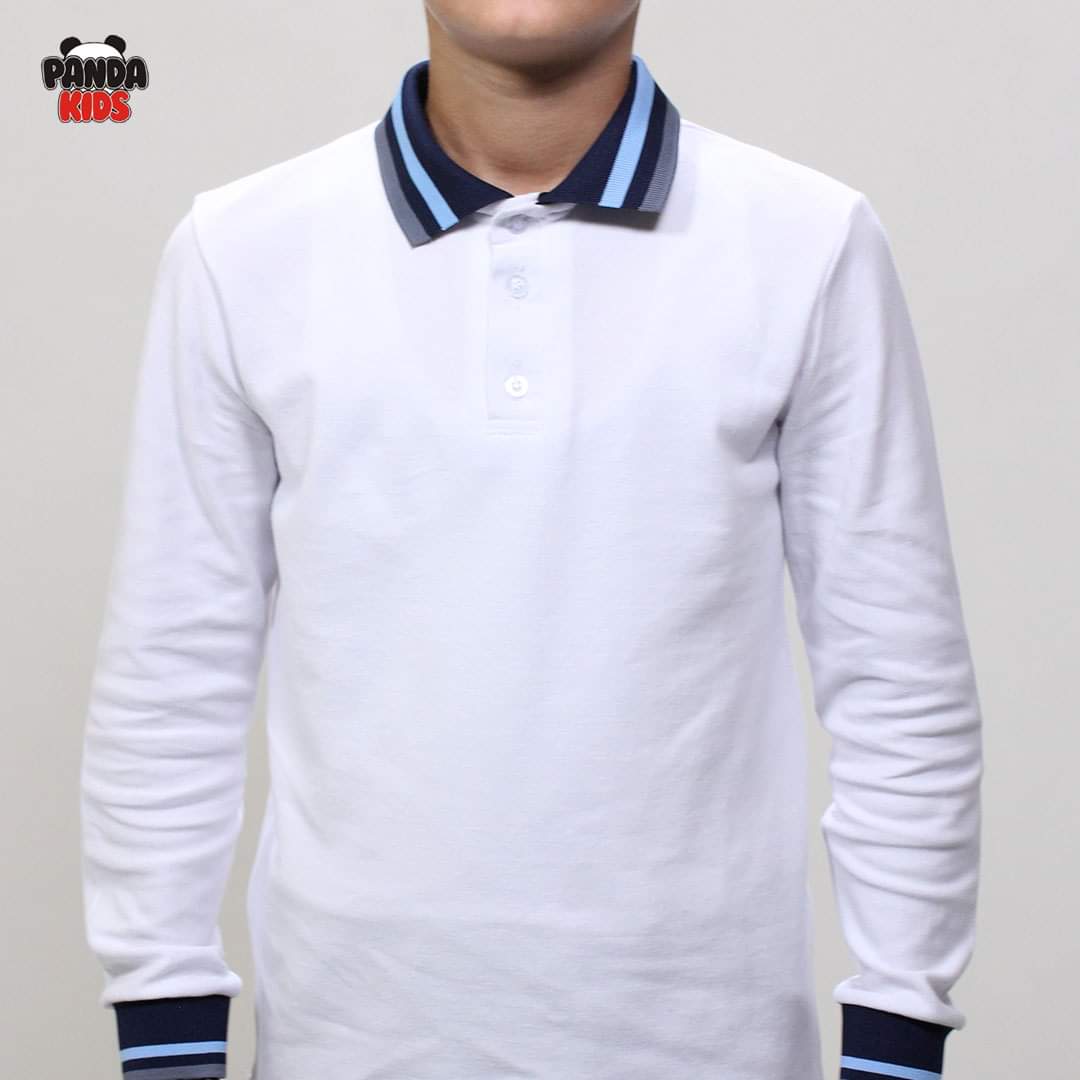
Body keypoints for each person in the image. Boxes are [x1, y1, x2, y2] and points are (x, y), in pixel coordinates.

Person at [79, 3, 984, 1079]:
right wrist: (165, 1020)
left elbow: (897, 677)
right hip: (350, 1042)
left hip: (708, 1044)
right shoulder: (240, 248)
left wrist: (899, 1023)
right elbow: (171, 673)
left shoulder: (809, 240)